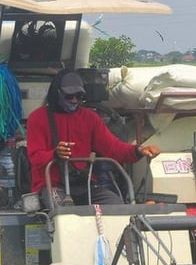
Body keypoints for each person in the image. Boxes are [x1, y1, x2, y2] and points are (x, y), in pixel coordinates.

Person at [26, 70, 159, 206]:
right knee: (64, 212)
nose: (74, 100)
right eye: (69, 96)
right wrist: (55, 154)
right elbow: (35, 157)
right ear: (57, 93)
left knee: (115, 206)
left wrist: (139, 150)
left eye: (79, 96)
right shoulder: (37, 118)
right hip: (52, 185)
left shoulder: (89, 118)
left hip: (84, 184)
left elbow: (113, 148)